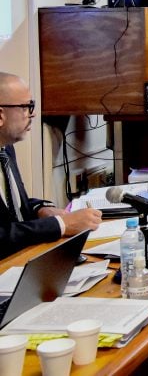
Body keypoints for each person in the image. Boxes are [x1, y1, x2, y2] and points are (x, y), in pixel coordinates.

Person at [0, 72, 101, 259]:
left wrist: (41, 209)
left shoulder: (5, 149)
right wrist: (61, 225)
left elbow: (12, 209)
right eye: (26, 107)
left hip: (23, 258)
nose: (33, 113)